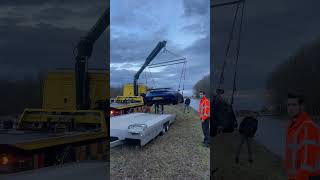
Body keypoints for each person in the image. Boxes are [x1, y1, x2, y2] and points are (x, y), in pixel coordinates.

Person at [285, 92, 320, 180]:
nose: (290, 108)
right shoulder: (293, 126)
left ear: (302, 107)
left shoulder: (308, 126)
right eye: (288, 105)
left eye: (294, 105)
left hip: (309, 177)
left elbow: (307, 162)